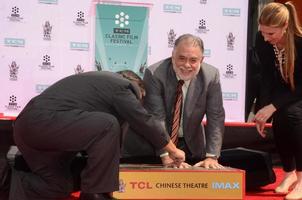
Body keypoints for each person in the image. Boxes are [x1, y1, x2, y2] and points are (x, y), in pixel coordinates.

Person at [10, 70, 185, 200]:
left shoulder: (96, 92)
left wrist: (162, 156)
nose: (138, 104)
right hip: (42, 123)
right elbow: (143, 120)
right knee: (107, 125)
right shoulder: (122, 86)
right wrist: (172, 149)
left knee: (57, 186)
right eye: (139, 100)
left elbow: (110, 147)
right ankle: (95, 194)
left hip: (27, 130)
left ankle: (5, 179)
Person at [125, 34, 225, 168]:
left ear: (202, 60)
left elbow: (215, 116)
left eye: (193, 60)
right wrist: (166, 154)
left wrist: (212, 156)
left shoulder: (211, 76)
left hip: (192, 147)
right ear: (173, 56)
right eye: (181, 58)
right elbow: (156, 117)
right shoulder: (155, 73)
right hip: (158, 147)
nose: (187, 65)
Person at [254, 2, 302, 199]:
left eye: (271, 34)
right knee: (280, 117)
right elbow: (265, 75)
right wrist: (263, 109)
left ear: (285, 26)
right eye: (263, 32)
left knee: (293, 115)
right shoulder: (262, 39)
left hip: (300, 91)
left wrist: (273, 105)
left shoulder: (300, 42)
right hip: (282, 93)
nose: (265, 38)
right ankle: (289, 173)